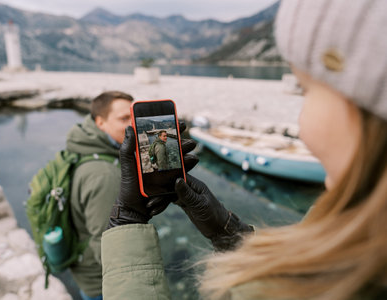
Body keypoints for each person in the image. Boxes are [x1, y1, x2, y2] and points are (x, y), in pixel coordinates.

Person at [100, 1, 387, 299]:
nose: (302, 127)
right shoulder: (354, 243)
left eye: (306, 89)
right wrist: (229, 233)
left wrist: (127, 220)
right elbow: (293, 275)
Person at [65, 91, 133, 300]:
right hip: (103, 285)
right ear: (100, 122)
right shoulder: (105, 175)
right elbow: (106, 244)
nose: (134, 125)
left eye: (134, 116)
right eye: (124, 119)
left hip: (84, 270)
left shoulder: (86, 145)